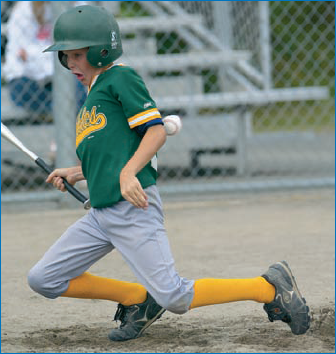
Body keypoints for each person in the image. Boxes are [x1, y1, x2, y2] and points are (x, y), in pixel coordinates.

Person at [27, 5, 310, 342]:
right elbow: (113, 153)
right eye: (66, 56)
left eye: (77, 54)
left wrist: (130, 174)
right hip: (101, 215)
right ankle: (136, 299)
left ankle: (267, 287)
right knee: (44, 278)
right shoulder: (91, 94)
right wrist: (77, 172)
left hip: (133, 210)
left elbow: (156, 131)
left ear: (103, 50)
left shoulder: (120, 78)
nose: (71, 63)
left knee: (174, 297)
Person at [2, 1, 87, 116]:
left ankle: (62, 114)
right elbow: (19, 55)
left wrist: (34, 55)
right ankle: (61, 113)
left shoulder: (78, 5)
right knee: (22, 89)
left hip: (66, 74)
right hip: (30, 79)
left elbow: (81, 47)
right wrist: (57, 55)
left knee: (80, 86)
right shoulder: (25, 8)